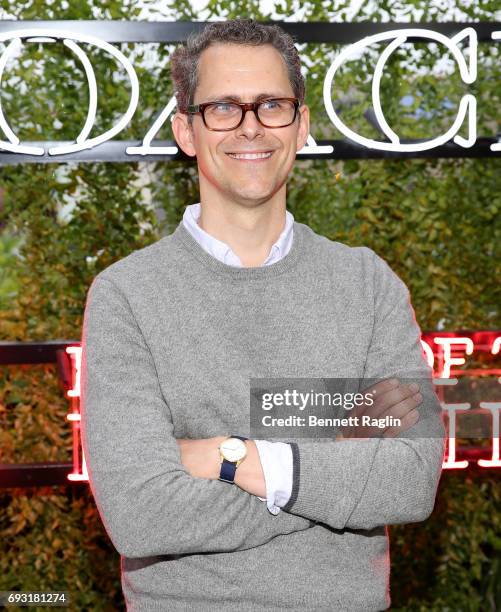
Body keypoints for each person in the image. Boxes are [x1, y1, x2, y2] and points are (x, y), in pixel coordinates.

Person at [80, 18, 445, 611]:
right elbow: (141, 514)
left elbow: (408, 478)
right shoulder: (127, 295)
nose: (250, 127)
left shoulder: (366, 283)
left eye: (272, 105)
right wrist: (333, 471)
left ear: (300, 126)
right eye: (223, 106)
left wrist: (231, 456)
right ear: (186, 132)